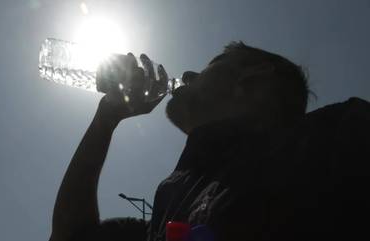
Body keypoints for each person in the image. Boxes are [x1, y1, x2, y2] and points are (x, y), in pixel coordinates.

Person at [49, 42, 370, 241]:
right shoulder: (166, 215)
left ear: (252, 80)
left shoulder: (331, 138)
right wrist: (106, 119)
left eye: (211, 64)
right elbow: (72, 236)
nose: (188, 73)